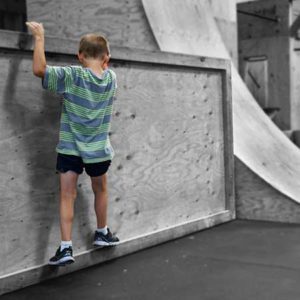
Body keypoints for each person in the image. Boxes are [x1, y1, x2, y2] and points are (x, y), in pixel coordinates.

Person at [26, 21, 120, 266]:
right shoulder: (111, 78)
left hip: (70, 149)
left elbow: (39, 69)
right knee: (101, 189)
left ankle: (66, 247)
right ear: (107, 57)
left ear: (79, 56)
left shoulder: (72, 75)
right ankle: (102, 232)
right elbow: (101, 67)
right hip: (99, 150)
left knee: (68, 195)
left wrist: (39, 37)